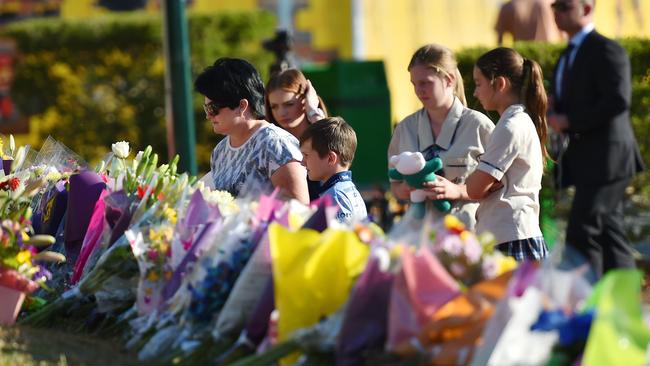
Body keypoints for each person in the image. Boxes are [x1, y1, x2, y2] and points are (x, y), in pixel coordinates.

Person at [548, 0, 644, 275]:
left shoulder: (606, 49)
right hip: (588, 160)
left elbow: (618, 100)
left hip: (609, 159)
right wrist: (554, 110)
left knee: (583, 232)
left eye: (564, 6)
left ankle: (588, 303)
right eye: (554, 6)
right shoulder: (568, 54)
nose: (556, 12)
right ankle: (623, 307)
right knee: (607, 233)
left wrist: (569, 120)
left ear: (587, 9)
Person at [429, 47, 549, 261]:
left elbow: (475, 189)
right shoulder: (516, 121)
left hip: (511, 238)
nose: (475, 92)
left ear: (500, 84)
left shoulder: (510, 126)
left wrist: (462, 185)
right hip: (512, 234)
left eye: (478, 84)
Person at [387, 44, 494, 229]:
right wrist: (407, 189)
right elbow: (395, 187)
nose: (419, 91)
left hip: (467, 238)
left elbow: (500, 186)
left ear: (449, 80)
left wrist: (458, 191)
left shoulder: (479, 126)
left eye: (425, 83)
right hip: (419, 237)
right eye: (414, 84)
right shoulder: (404, 129)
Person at [194, 57, 309, 204]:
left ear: (242, 105)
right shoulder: (219, 152)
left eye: (213, 108)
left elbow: (298, 208)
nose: (208, 115)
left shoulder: (275, 143)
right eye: (206, 108)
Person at [265, 68, 328, 200]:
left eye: (289, 104)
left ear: (306, 99)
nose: (282, 113)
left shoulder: (322, 130)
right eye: (274, 106)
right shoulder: (268, 141)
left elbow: (335, 153)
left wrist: (314, 113)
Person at [300, 116, 367, 224]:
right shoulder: (349, 189)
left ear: (331, 158)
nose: (302, 162)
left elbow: (341, 239)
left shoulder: (335, 196)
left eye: (306, 155)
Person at [495, 0, 563, 45]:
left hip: (521, 59)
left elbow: (499, 41)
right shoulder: (550, 3)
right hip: (550, 54)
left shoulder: (508, 7)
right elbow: (564, 34)